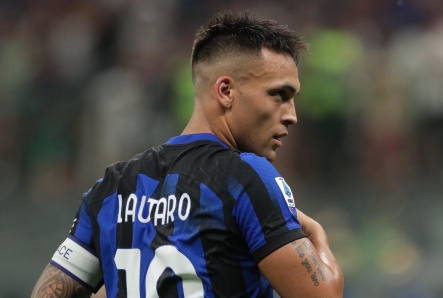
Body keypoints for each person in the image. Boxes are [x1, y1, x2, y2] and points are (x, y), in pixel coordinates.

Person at [31, 11, 344, 298]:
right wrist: (317, 235)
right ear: (225, 91)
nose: (292, 115)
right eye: (279, 95)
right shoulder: (246, 178)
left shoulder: (111, 188)